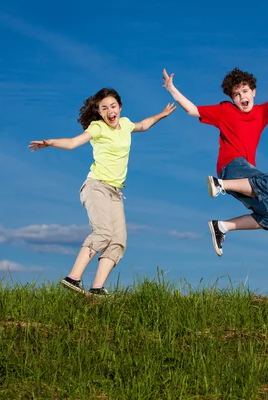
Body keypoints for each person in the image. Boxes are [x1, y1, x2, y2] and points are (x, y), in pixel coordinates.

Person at [29, 88, 176, 295]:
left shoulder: (125, 124)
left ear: (120, 107)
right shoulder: (97, 128)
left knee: (117, 241)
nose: (110, 111)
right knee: (103, 233)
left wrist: (161, 114)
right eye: (104, 108)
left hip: (115, 192)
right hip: (96, 186)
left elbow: (144, 125)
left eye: (113, 106)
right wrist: (50, 142)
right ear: (99, 112)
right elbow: (73, 143)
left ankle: (97, 289)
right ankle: (73, 278)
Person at [162, 52, 268, 256]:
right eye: (237, 94)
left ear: (254, 92)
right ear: (232, 98)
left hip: (245, 180)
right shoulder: (225, 111)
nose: (242, 97)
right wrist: (172, 89)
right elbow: (193, 110)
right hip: (231, 167)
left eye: (245, 91)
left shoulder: (262, 113)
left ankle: (222, 227)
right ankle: (219, 184)